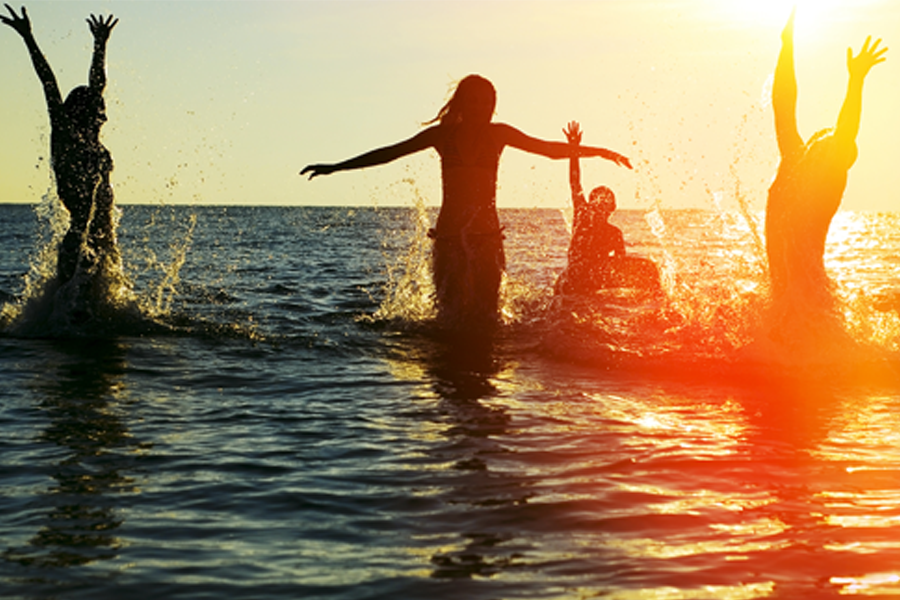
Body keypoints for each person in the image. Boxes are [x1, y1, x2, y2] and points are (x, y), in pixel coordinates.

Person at [302, 74, 632, 329]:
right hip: (448, 239)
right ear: (462, 103)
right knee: (447, 317)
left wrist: (599, 151)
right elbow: (391, 152)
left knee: (487, 319)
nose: (481, 108)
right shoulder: (442, 137)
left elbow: (548, 149)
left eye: (488, 101)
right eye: (474, 101)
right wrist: (336, 167)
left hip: (487, 239)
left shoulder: (498, 134)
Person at [766, 10, 886, 317]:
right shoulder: (795, 163)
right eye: (824, 138)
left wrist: (856, 81)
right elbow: (784, 104)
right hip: (784, 294)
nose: (826, 142)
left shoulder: (825, 186)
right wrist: (786, 46)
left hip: (809, 294)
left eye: (834, 146)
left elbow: (846, 129)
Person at [2, 5, 121, 287]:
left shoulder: (91, 141)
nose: (104, 115)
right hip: (78, 242)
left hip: (103, 240)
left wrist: (99, 45)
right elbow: (48, 83)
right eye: (98, 110)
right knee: (72, 314)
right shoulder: (67, 137)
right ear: (84, 113)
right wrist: (28, 38)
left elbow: (98, 84)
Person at [554, 121, 659, 296]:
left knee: (650, 268)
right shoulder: (583, 216)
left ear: (612, 208)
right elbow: (574, 181)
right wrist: (574, 150)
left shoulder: (614, 234)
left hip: (593, 280)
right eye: (597, 204)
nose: (600, 209)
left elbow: (620, 265)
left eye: (604, 205)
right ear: (590, 205)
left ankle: (653, 300)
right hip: (573, 279)